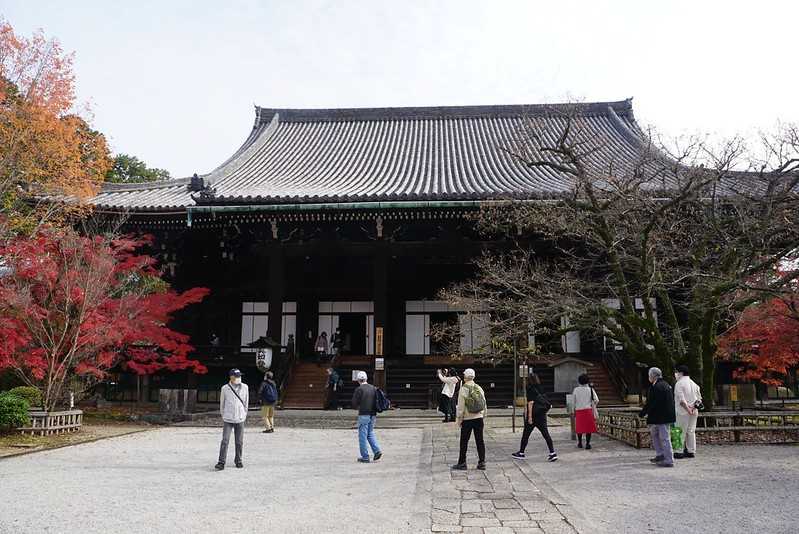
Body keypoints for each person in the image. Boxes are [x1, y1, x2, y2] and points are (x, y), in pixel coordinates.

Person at [512, 374, 557, 462]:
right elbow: (546, 402)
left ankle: (521, 453)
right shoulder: (541, 387)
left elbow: (530, 403)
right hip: (542, 415)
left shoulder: (530, 389)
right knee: (546, 434)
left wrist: (529, 417)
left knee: (526, 435)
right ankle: (552, 453)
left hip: (533, 416)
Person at [639, 367, 676, 467]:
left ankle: (669, 459)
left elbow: (651, 402)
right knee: (655, 435)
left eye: (649, 375)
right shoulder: (666, 385)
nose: (648, 377)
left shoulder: (657, 387)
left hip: (660, 417)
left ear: (653, 376)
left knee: (664, 438)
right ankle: (660, 454)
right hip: (663, 416)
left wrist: (643, 413)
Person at [452, 368, 487, 471]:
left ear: (465, 376)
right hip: (479, 418)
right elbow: (484, 403)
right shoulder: (478, 388)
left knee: (464, 441)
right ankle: (482, 462)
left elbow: (461, 406)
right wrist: (483, 415)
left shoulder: (463, 389)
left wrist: (459, 419)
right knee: (480, 441)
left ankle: (462, 463)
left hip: (468, 418)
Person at [215, 368, 249, 470]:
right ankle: (221, 462)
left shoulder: (245, 387)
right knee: (225, 440)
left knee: (239, 441)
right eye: (237, 376)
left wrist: (244, 414)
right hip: (228, 418)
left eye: (239, 376)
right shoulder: (225, 388)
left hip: (240, 418)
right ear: (231, 377)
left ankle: (238, 460)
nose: (239, 378)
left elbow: (246, 402)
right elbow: (222, 403)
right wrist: (224, 415)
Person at [351, 371, 382, 463]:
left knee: (362, 436)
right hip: (373, 414)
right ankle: (377, 450)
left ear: (358, 380)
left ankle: (365, 456)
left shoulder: (359, 389)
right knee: (370, 433)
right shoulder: (373, 388)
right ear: (366, 379)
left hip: (364, 414)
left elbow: (354, 403)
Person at [673, 364, 702, 459]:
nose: (675, 374)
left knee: (678, 430)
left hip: (682, 411)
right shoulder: (694, 384)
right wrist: (692, 408)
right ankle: (691, 451)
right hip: (694, 411)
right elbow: (699, 399)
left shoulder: (679, 384)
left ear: (681, 373)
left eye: (676, 372)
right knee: (691, 431)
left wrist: (688, 409)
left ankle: (678, 451)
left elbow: (681, 400)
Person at [572, 373, 598, 449]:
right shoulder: (590, 389)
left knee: (579, 428)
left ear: (579, 381)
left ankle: (580, 443)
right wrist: (592, 405)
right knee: (588, 428)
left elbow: (573, 401)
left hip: (579, 411)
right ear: (587, 381)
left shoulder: (576, 390)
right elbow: (596, 400)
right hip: (588, 410)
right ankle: (587, 443)